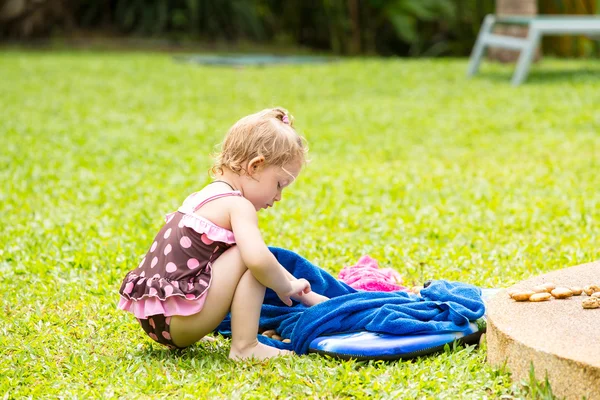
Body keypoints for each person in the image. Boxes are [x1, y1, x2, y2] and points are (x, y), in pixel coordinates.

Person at [118, 107, 328, 360]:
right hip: (181, 323)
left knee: (247, 254)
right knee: (249, 257)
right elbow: (259, 261)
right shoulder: (238, 205)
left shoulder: (204, 196)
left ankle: (200, 329)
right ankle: (245, 347)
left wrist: (304, 294)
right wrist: (286, 286)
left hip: (156, 320)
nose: (279, 197)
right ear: (255, 166)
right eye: (279, 184)